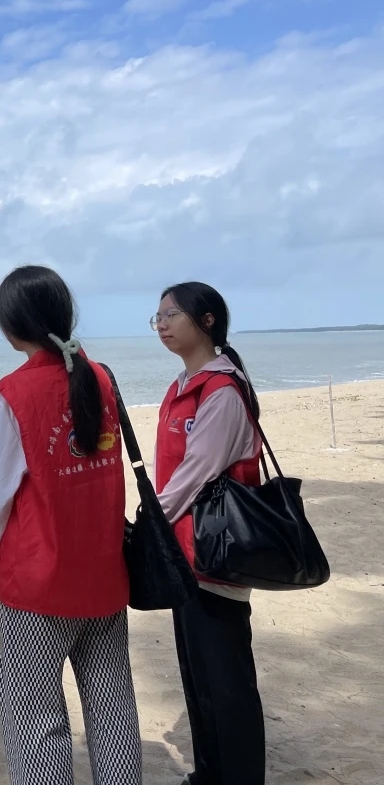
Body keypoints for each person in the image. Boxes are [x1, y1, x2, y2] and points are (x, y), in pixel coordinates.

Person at [0, 265, 141, 785]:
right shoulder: (100, 378)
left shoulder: (13, 394)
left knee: (34, 717)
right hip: (104, 572)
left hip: (38, 583)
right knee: (113, 706)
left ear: (11, 327)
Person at [152, 282, 265, 785]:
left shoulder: (220, 392)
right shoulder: (183, 386)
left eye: (171, 314)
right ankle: (209, 773)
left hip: (217, 554)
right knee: (199, 678)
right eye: (157, 317)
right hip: (184, 555)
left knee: (227, 681)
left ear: (208, 321)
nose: (161, 324)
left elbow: (196, 474)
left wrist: (149, 521)